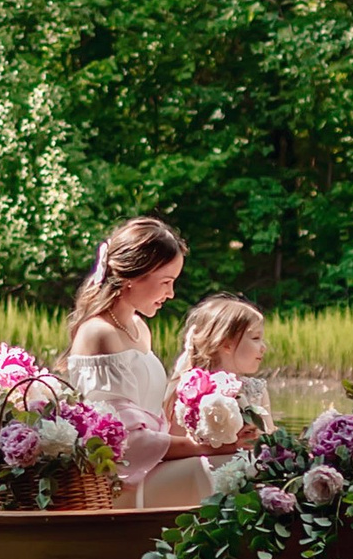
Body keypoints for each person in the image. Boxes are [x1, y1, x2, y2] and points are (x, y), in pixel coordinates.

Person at [62, 216, 212, 508]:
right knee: (211, 467)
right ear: (134, 275)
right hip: (118, 480)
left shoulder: (139, 328)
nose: (171, 294)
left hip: (150, 466)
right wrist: (201, 447)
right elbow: (124, 442)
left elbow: (154, 417)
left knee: (231, 460)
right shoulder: (99, 333)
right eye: (166, 282)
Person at [147, 294, 271, 513]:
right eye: (255, 338)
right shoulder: (189, 389)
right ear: (226, 344)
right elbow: (173, 444)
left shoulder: (256, 390)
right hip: (198, 478)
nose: (264, 347)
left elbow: (268, 437)